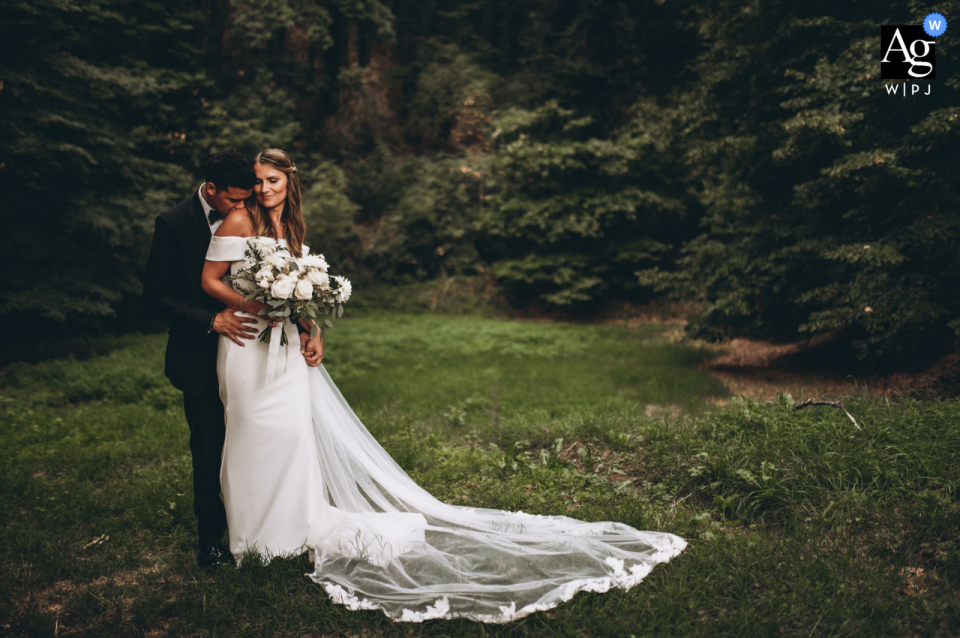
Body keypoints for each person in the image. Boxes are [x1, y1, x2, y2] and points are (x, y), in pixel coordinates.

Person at [200, 148, 687, 623]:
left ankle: (290, 532)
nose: (263, 190)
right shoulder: (242, 221)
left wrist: (313, 327)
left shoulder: (292, 229)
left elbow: (297, 294)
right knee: (253, 436)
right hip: (248, 347)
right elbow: (212, 281)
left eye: (272, 181)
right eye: (259, 182)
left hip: (286, 348)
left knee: (292, 439)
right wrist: (258, 310)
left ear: (290, 182)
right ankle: (254, 541)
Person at [144, 149, 318, 569]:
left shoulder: (269, 217)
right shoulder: (172, 223)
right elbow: (156, 297)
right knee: (209, 447)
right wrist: (213, 319)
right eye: (236, 199)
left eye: (256, 190)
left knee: (277, 436)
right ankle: (212, 540)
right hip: (206, 345)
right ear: (212, 189)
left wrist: (312, 327)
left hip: (265, 340)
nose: (247, 202)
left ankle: (285, 523)